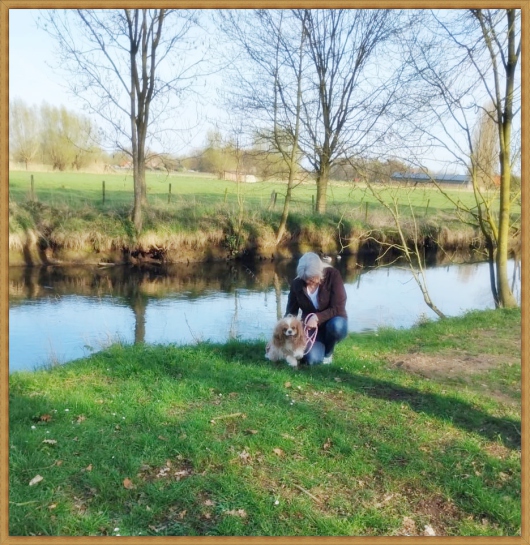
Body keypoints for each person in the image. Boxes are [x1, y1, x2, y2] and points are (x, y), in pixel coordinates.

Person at [285, 252, 348, 365]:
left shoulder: (333, 275)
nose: (309, 281)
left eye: (312, 278)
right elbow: (291, 312)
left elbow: (338, 307)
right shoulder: (296, 284)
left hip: (334, 321)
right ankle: (318, 346)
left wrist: (317, 317)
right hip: (311, 328)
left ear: (320, 271)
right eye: (305, 279)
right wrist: (281, 332)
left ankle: (328, 352)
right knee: (312, 360)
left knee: (336, 326)